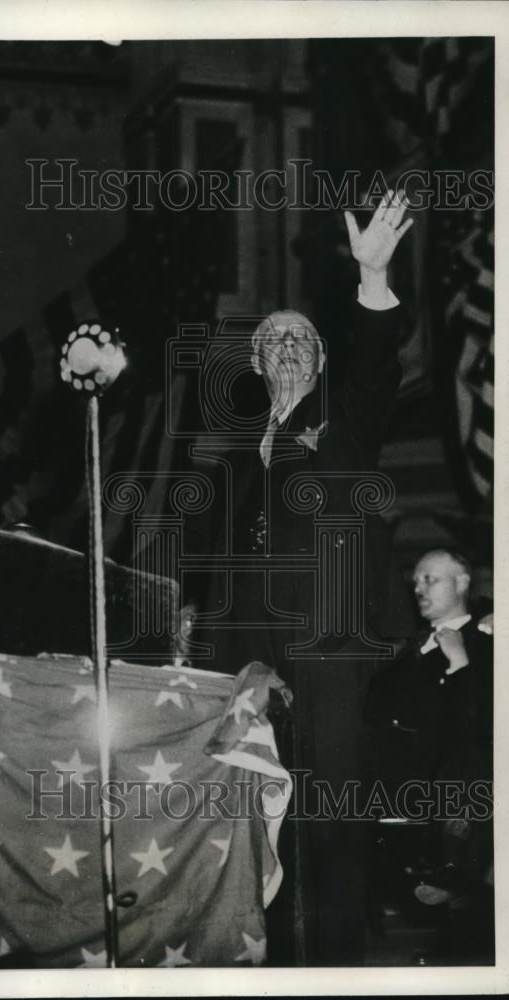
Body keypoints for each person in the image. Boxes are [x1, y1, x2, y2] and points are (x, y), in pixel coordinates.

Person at [196, 190, 415, 965]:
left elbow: (376, 361)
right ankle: (278, 965)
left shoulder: (342, 417)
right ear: (256, 365)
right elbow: (226, 568)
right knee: (267, 814)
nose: (287, 346)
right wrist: (230, 663)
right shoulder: (233, 463)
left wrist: (373, 280)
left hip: (331, 642)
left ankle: (339, 965)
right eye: (273, 340)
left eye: (301, 339)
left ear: (320, 359)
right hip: (260, 660)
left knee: (332, 813)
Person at [364, 548, 493, 961]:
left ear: (462, 583)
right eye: (415, 580)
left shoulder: (489, 638)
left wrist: (460, 664)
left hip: (463, 805)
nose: (418, 588)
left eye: (430, 579)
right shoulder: (407, 650)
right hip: (403, 805)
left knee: (470, 916)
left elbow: (485, 724)